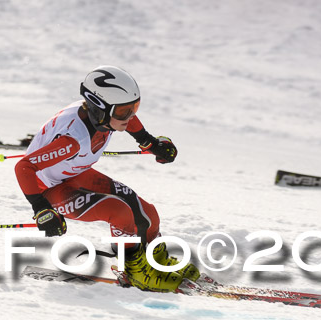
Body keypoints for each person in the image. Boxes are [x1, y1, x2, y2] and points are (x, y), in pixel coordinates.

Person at [14, 65, 199, 291]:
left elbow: (128, 120)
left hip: (75, 174)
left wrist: (150, 143)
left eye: (134, 108)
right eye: (123, 111)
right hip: (51, 189)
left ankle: (154, 260)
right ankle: (134, 271)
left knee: (146, 211)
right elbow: (24, 167)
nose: (130, 116)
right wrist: (42, 209)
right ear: (99, 108)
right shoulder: (73, 139)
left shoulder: (103, 117)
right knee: (118, 211)